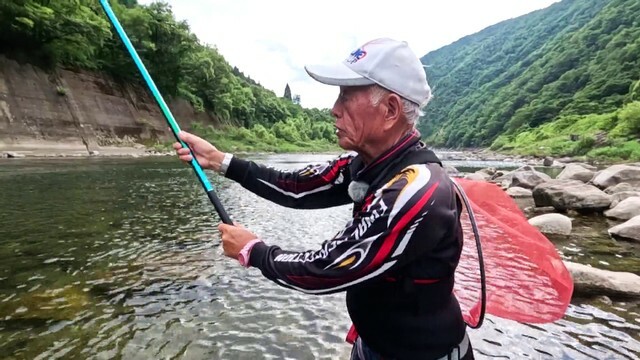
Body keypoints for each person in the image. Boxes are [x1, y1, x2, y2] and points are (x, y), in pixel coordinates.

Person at [174, 38, 473, 360]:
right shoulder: (366, 164)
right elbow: (294, 187)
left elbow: (329, 267)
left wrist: (254, 251)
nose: (334, 109)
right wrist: (220, 160)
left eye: (346, 96)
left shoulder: (417, 189)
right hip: (372, 345)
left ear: (390, 110)